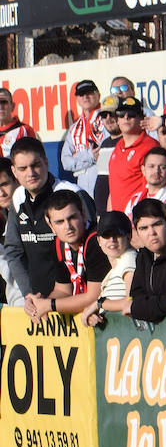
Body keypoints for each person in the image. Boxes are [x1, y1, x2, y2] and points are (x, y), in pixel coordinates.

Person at [4, 137, 97, 299]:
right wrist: (28, 294)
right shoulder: (17, 198)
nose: (30, 173)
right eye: (23, 168)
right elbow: (13, 252)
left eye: (35, 165)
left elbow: (94, 247)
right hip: (39, 302)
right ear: (14, 172)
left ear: (46, 162)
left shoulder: (72, 193)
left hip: (80, 302)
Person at [86, 199, 166, 326]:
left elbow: (131, 303)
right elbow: (136, 299)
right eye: (144, 228)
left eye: (157, 224)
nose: (152, 233)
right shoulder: (144, 257)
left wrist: (100, 303)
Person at [23, 192, 111, 323]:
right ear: (50, 225)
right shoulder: (58, 245)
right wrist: (39, 304)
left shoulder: (97, 240)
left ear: (83, 214)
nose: (68, 227)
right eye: (59, 222)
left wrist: (50, 305)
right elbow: (63, 291)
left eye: (72, 218)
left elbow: (93, 297)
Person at [106, 98, 159, 217]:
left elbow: (154, 190)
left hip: (139, 220)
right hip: (119, 223)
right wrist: (110, 217)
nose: (126, 117)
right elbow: (113, 189)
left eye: (131, 114)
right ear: (117, 120)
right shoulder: (118, 146)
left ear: (142, 119)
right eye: (121, 114)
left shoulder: (150, 147)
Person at [61, 79, 105, 194]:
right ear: (77, 99)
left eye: (89, 93)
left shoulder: (107, 119)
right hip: (83, 187)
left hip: (105, 183)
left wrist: (77, 156)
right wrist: (89, 156)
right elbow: (66, 162)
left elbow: (103, 153)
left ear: (98, 95)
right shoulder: (74, 129)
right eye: (81, 94)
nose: (85, 97)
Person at [91, 211, 137, 304]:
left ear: (129, 237)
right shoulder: (118, 266)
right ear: (99, 240)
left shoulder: (129, 258)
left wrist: (99, 305)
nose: (112, 240)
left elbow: (132, 302)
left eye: (118, 234)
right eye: (106, 235)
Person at [122, 146, 166, 223]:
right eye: (151, 166)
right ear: (143, 170)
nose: (156, 171)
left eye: (162, 167)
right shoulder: (134, 199)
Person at [0, 157, 20, 304]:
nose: (1, 193)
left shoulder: (29, 213)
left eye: (4, 185)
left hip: (29, 302)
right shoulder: (6, 215)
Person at [0, 87, 36, 157]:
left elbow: (33, 159)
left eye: (4, 102)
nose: (1, 106)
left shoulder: (24, 130)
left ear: (12, 106)